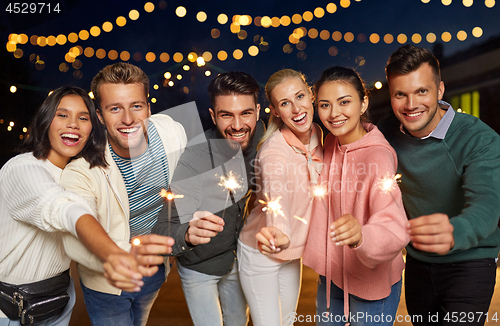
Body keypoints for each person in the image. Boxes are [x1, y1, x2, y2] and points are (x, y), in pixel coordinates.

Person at [0, 86, 157, 326]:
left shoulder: (81, 173)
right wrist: (113, 254)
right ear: (45, 122)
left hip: (58, 299)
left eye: (83, 118)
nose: (73, 124)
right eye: (62, 115)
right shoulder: (23, 168)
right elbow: (64, 208)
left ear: (92, 127)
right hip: (12, 308)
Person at [378, 44, 500, 326]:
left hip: (471, 262)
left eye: (422, 91)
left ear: (440, 90)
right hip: (419, 265)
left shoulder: (479, 138)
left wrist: (456, 231)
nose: (411, 105)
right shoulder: (384, 134)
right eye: (400, 94)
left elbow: (488, 204)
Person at [60, 62, 187, 326]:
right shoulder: (82, 170)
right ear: (99, 115)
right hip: (106, 281)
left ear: (148, 108)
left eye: (136, 106)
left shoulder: (172, 132)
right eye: (115, 108)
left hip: (155, 269)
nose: (128, 119)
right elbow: (73, 235)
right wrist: (121, 257)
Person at [152, 71, 264, 326]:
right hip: (199, 266)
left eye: (245, 113)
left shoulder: (264, 138)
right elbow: (162, 229)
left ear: (257, 111)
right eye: (226, 115)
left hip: (240, 260)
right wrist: (189, 235)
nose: (237, 125)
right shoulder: (196, 157)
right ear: (213, 116)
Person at [302, 66, 409, 326]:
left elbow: (395, 226)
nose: (334, 113)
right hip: (333, 276)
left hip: (372, 282)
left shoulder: (378, 157)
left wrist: (363, 235)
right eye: (325, 104)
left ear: (363, 103)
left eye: (344, 102)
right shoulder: (330, 143)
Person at [237, 69, 323, 326]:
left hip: (291, 253)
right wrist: (279, 230)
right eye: (285, 103)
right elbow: (277, 196)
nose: (296, 109)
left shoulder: (319, 135)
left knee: (286, 321)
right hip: (261, 251)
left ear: (311, 96)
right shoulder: (274, 150)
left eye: (300, 96)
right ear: (275, 111)